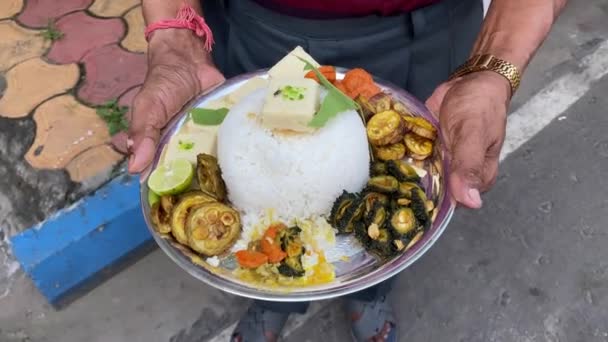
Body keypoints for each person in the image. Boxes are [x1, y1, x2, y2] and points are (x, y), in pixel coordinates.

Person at [114, 0, 568, 340]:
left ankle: (367, 295)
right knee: (251, 208)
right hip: (250, 21)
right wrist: (175, 37)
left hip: (430, 28)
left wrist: (494, 64)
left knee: (393, 208)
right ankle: (271, 296)